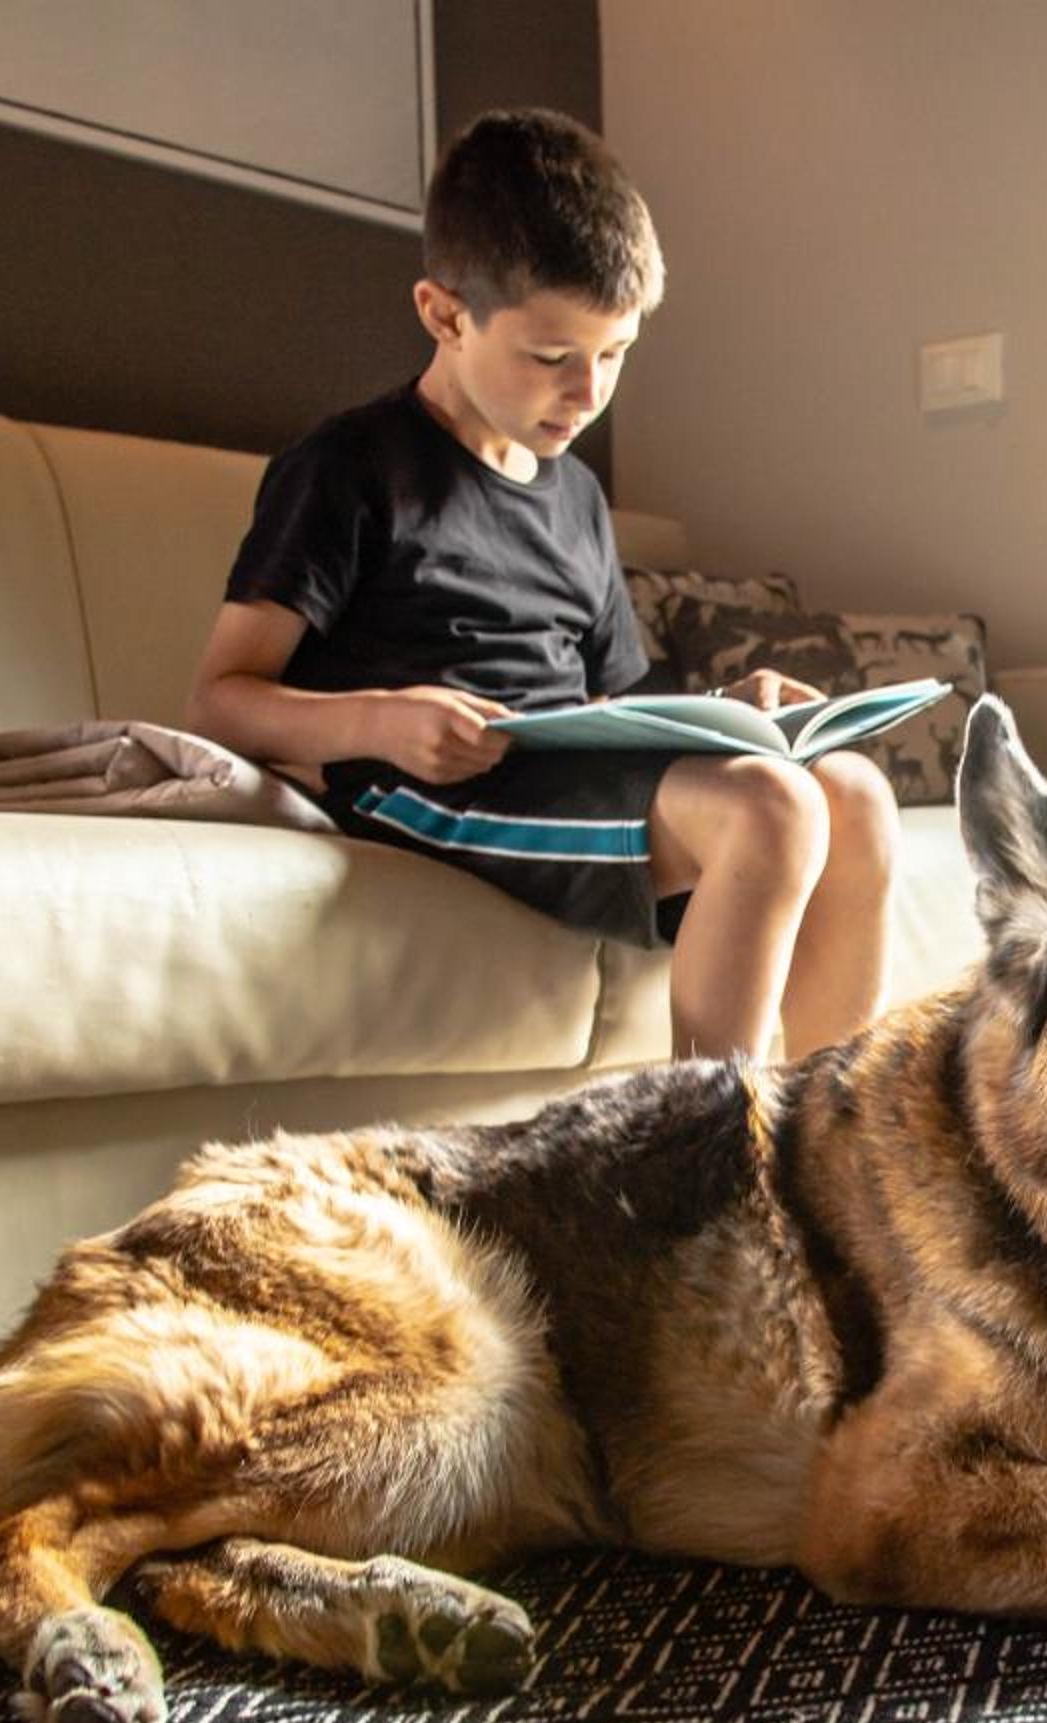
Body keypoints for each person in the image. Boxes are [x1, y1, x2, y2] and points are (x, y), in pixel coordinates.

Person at [189, 109, 897, 1062]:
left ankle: (837, 1138)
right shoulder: (351, 467)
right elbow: (219, 700)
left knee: (852, 792)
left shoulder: (576, 497)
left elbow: (619, 703)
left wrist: (731, 711)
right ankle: (706, 1144)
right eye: (554, 358)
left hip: (568, 777)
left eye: (614, 355)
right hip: (426, 790)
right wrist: (380, 721)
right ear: (445, 315)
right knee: (772, 810)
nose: (588, 392)